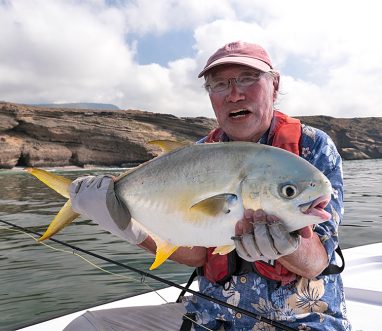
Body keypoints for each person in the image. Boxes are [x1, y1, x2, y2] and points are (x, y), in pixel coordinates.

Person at [64, 41, 351, 330]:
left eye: (247, 79)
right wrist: (126, 226)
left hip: (301, 322)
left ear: (274, 85)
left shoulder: (312, 148)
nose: (234, 94)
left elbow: (316, 262)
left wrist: (288, 246)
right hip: (210, 319)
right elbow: (195, 253)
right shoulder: (196, 155)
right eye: (219, 85)